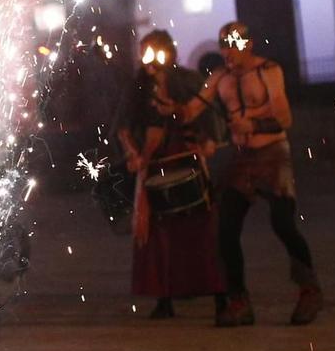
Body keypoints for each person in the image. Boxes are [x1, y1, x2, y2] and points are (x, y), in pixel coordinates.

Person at [162, 21, 322, 326]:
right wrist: (171, 106)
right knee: (226, 227)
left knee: (283, 223)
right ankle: (238, 300)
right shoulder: (219, 78)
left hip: (273, 154)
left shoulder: (268, 71)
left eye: (233, 46)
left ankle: (309, 289)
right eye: (223, 46)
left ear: (247, 45)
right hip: (242, 159)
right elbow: (194, 109)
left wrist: (254, 125)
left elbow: (284, 117)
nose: (228, 53)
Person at [114, 30, 228, 322]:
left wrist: (208, 140)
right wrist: (133, 154)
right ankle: (164, 298)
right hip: (155, 162)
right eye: (145, 51)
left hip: (186, 158)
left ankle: (219, 294)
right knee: (157, 236)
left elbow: (204, 115)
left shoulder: (187, 80)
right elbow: (124, 126)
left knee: (202, 231)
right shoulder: (137, 87)